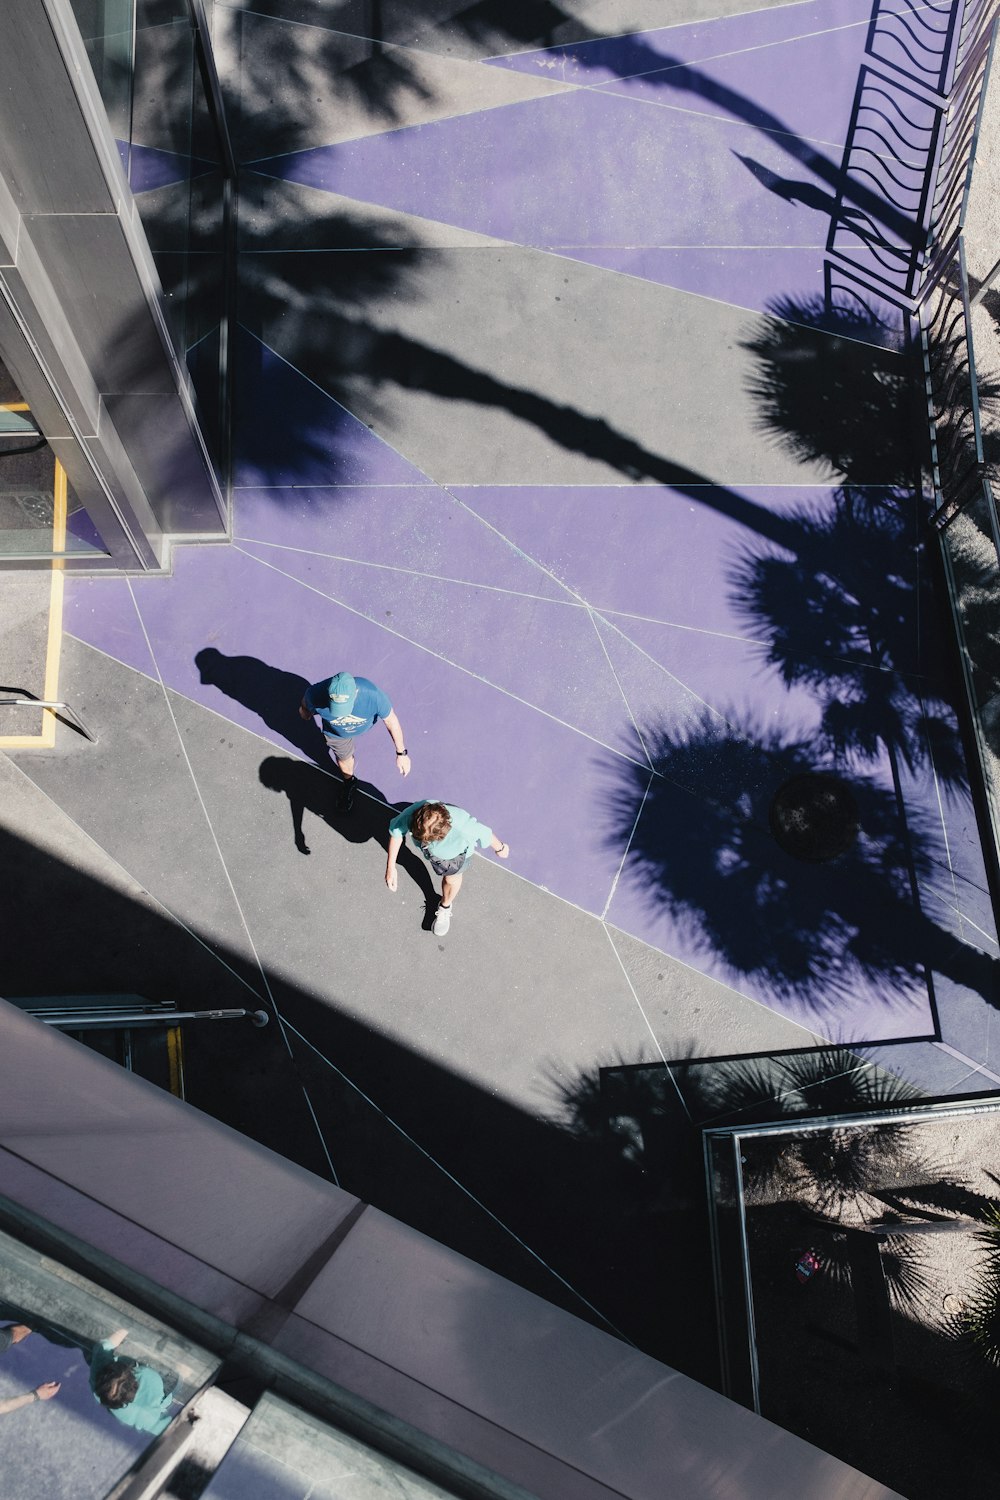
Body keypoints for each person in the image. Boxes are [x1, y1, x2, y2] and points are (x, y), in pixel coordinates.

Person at [385, 801, 509, 935]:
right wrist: (391, 867)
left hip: (455, 858)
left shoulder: (464, 826)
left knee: (451, 879)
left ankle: (445, 906)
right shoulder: (411, 816)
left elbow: (486, 834)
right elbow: (397, 833)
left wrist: (501, 848)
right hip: (434, 853)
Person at [299, 671, 410, 810]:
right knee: (344, 759)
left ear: (356, 693)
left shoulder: (373, 695)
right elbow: (304, 707)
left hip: (364, 726)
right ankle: (349, 782)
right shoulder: (314, 694)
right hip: (336, 734)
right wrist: (305, 713)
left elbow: (391, 721)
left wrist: (401, 754)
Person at [88, 1329, 177, 1436]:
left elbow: (106, 1346)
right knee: (178, 1377)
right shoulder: (147, 1416)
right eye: (129, 1371)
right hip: (163, 1387)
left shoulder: (99, 1374)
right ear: (135, 1383)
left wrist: (128, 1326)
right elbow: (172, 1434)